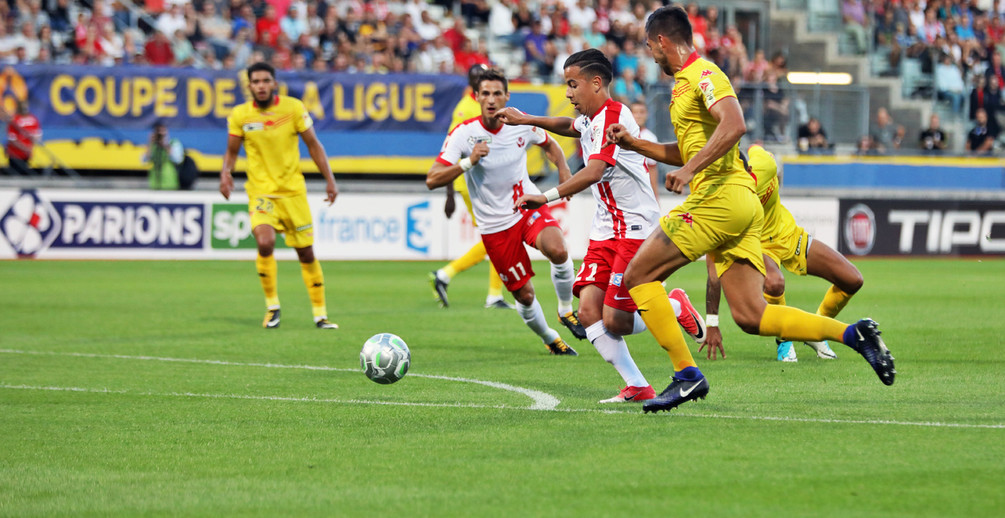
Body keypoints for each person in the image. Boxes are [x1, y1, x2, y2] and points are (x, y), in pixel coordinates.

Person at [605, 6, 895, 413]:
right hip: (736, 203)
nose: (649, 53)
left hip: (719, 197)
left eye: (649, 45)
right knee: (750, 315)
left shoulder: (704, 74)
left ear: (662, 41)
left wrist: (690, 170)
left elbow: (734, 124)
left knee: (638, 275)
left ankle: (686, 376)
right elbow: (687, 148)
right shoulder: (683, 85)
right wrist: (636, 145)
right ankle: (853, 334)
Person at [496, 49, 705, 403]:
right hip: (605, 228)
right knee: (590, 310)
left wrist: (544, 197)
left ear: (596, 83)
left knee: (617, 321)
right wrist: (526, 119)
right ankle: (637, 385)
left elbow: (594, 171)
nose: (568, 93)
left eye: (572, 84)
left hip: (635, 229)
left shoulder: (615, 116)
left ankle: (673, 306)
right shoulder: (590, 119)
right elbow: (569, 126)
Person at [427, 68, 585, 355]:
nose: (491, 99)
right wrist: (468, 162)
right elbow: (432, 178)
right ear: (476, 97)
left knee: (558, 250)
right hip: (494, 227)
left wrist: (564, 171)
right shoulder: (464, 134)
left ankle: (565, 310)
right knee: (524, 296)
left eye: (497, 93)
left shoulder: (520, 123)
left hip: (524, 207)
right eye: (485, 93)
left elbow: (550, 145)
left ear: (506, 96)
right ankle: (550, 338)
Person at [701, 146, 861, 363]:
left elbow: (764, 155)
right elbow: (713, 271)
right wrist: (712, 323)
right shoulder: (720, 203)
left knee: (852, 280)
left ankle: (813, 331)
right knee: (775, 282)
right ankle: (784, 341)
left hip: (788, 234)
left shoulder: (763, 164)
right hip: (757, 245)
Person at [220, 62, 340, 330]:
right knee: (265, 242)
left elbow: (313, 145)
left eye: (265, 81)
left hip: (293, 193)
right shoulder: (240, 115)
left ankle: (320, 314)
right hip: (261, 192)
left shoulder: (293, 108)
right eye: (256, 82)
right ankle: (272, 306)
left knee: (306, 253)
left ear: (274, 83)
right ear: (249, 86)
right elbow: (231, 151)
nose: (261, 86)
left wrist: (330, 180)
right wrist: (226, 173)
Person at [429, 64, 514, 310]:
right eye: (479, 80)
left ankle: (488, 292)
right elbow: (449, 149)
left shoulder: (486, 106)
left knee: (498, 236)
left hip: (485, 180)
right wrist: (449, 192)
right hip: (470, 180)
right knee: (499, 235)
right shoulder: (465, 109)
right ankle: (450, 276)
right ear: (473, 85)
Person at [3, 100, 41, 176]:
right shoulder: (14, 120)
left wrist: (29, 148)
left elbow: (37, 136)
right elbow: (12, 140)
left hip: (26, 154)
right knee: (14, 175)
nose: (24, 108)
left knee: (24, 175)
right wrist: (25, 148)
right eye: (23, 106)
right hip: (15, 154)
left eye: (26, 106)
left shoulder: (33, 119)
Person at [143, 120, 182, 190]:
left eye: (163, 131)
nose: (160, 133)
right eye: (158, 131)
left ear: (167, 132)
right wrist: (149, 144)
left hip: (169, 182)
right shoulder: (153, 145)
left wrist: (165, 145)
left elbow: (178, 160)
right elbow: (145, 160)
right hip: (155, 182)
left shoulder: (173, 143)